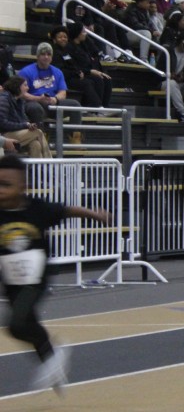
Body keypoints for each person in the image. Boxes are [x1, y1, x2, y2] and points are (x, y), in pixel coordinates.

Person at [0, 154, 109, 393]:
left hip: (35, 278)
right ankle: (52, 361)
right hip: (10, 279)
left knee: (18, 322)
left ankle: (53, 358)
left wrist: (94, 214)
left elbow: (68, 210)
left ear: (23, 187)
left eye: (6, 185)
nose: (1, 191)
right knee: (23, 324)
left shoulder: (37, 209)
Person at [18, 43, 83, 143]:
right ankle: (41, 138)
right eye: (43, 54)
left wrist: (55, 99)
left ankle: (75, 138)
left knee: (75, 105)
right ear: (37, 56)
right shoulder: (26, 71)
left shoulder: (57, 72)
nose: (46, 57)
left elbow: (63, 92)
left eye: (49, 54)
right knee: (35, 108)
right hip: (34, 102)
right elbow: (21, 94)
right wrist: (39, 98)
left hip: (52, 102)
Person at [0, 77, 51, 158]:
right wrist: (24, 125)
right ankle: (49, 162)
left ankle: (38, 166)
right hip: (4, 134)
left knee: (36, 144)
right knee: (38, 132)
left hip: (16, 132)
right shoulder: (3, 99)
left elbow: (24, 120)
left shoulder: (20, 101)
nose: (28, 88)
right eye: (25, 85)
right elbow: (2, 124)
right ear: (17, 86)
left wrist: (29, 125)